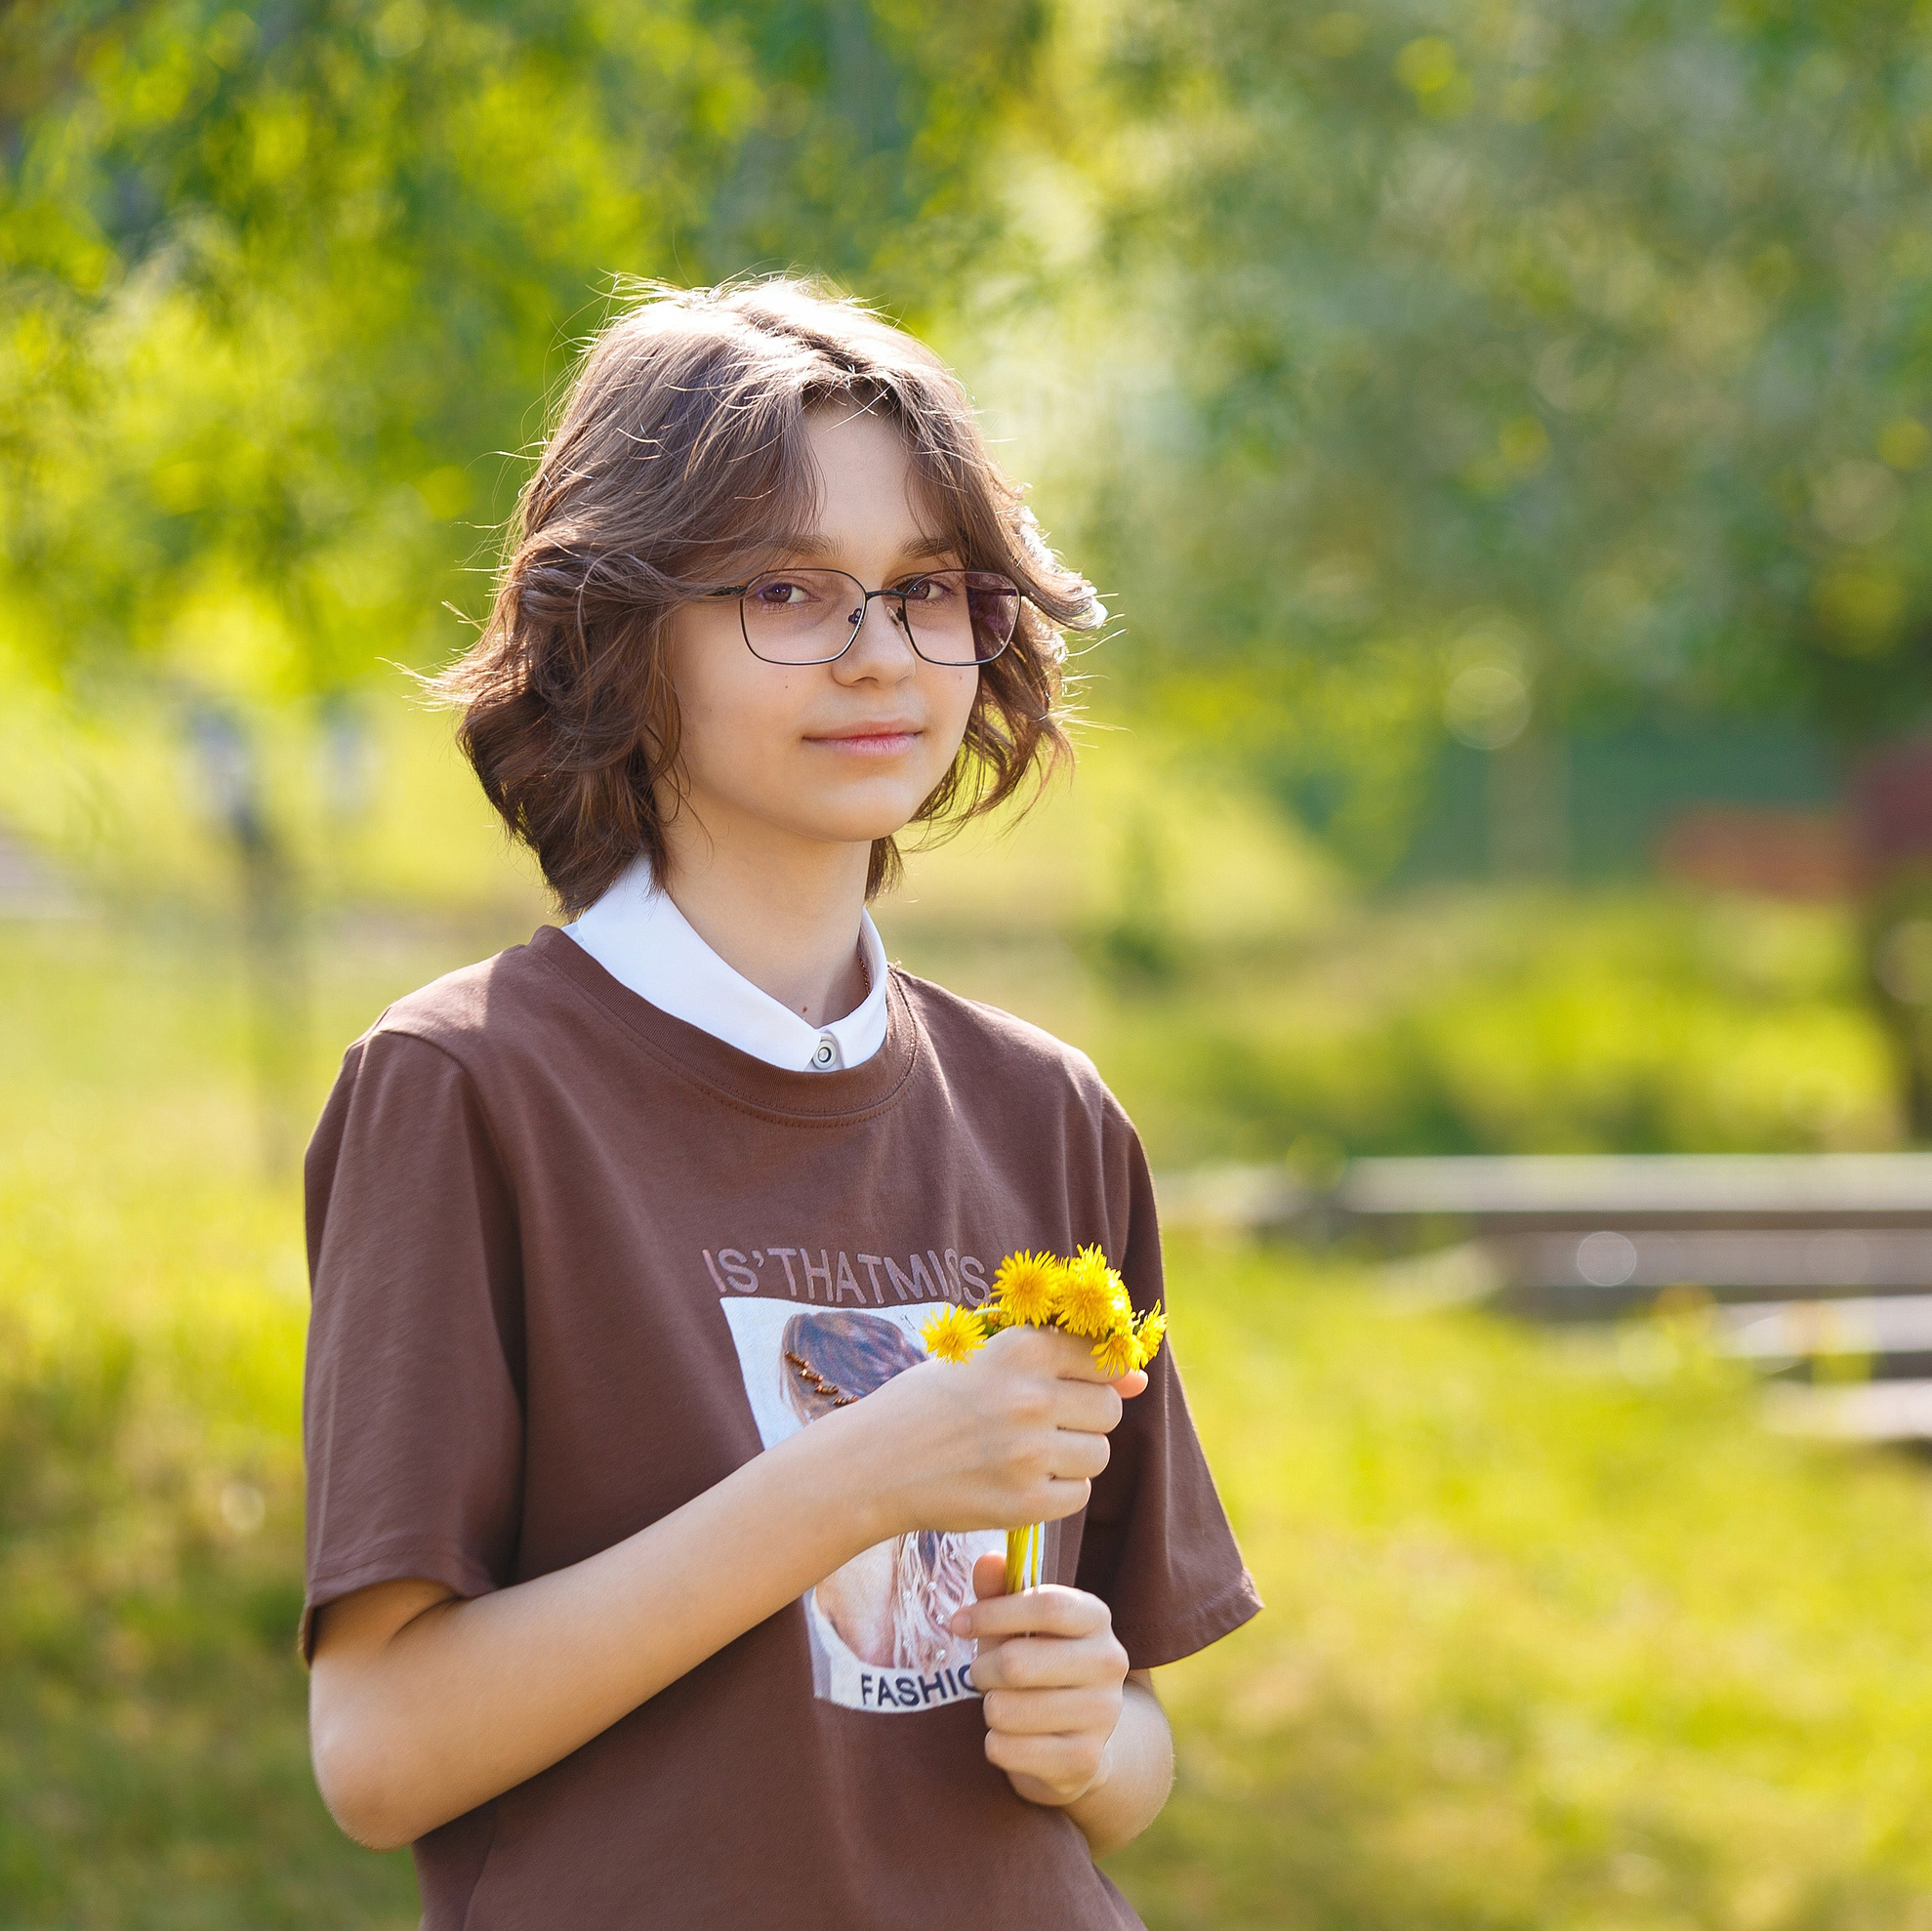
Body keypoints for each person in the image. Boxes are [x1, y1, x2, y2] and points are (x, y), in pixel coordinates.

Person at [298, 277, 1259, 1930]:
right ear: (617, 630)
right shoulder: (464, 1089)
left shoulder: (1051, 1113)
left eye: (929, 590)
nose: (881, 652)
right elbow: (380, 1749)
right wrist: (854, 1479)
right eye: (788, 589)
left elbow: (1135, 1754)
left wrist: (1090, 1727)